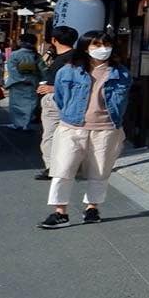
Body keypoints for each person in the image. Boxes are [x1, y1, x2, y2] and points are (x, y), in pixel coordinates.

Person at [43, 29, 129, 228]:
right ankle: (60, 211)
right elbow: (60, 98)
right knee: (62, 168)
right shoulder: (68, 70)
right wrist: (71, 114)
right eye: (97, 45)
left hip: (106, 128)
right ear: (85, 47)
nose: (103, 49)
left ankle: (92, 208)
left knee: (100, 170)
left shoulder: (121, 72)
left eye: (107, 44)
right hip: (71, 126)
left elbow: (122, 102)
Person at [33, 26, 78, 181]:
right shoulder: (77, 57)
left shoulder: (66, 58)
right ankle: (68, 165)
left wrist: (52, 88)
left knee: (51, 135)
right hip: (71, 101)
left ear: (54, 40)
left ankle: (53, 168)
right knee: (69, 135)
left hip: (56, 99)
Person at [4, 32, 41, 130]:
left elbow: (12, 69)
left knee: (16, 104)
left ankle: (17, 123)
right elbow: (42, 70)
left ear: (21, 42)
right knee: (30, 104)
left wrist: (21, 79)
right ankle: (26, 123)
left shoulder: (15, 54)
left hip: (17, 83)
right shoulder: (36, 55)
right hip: (32, 82)